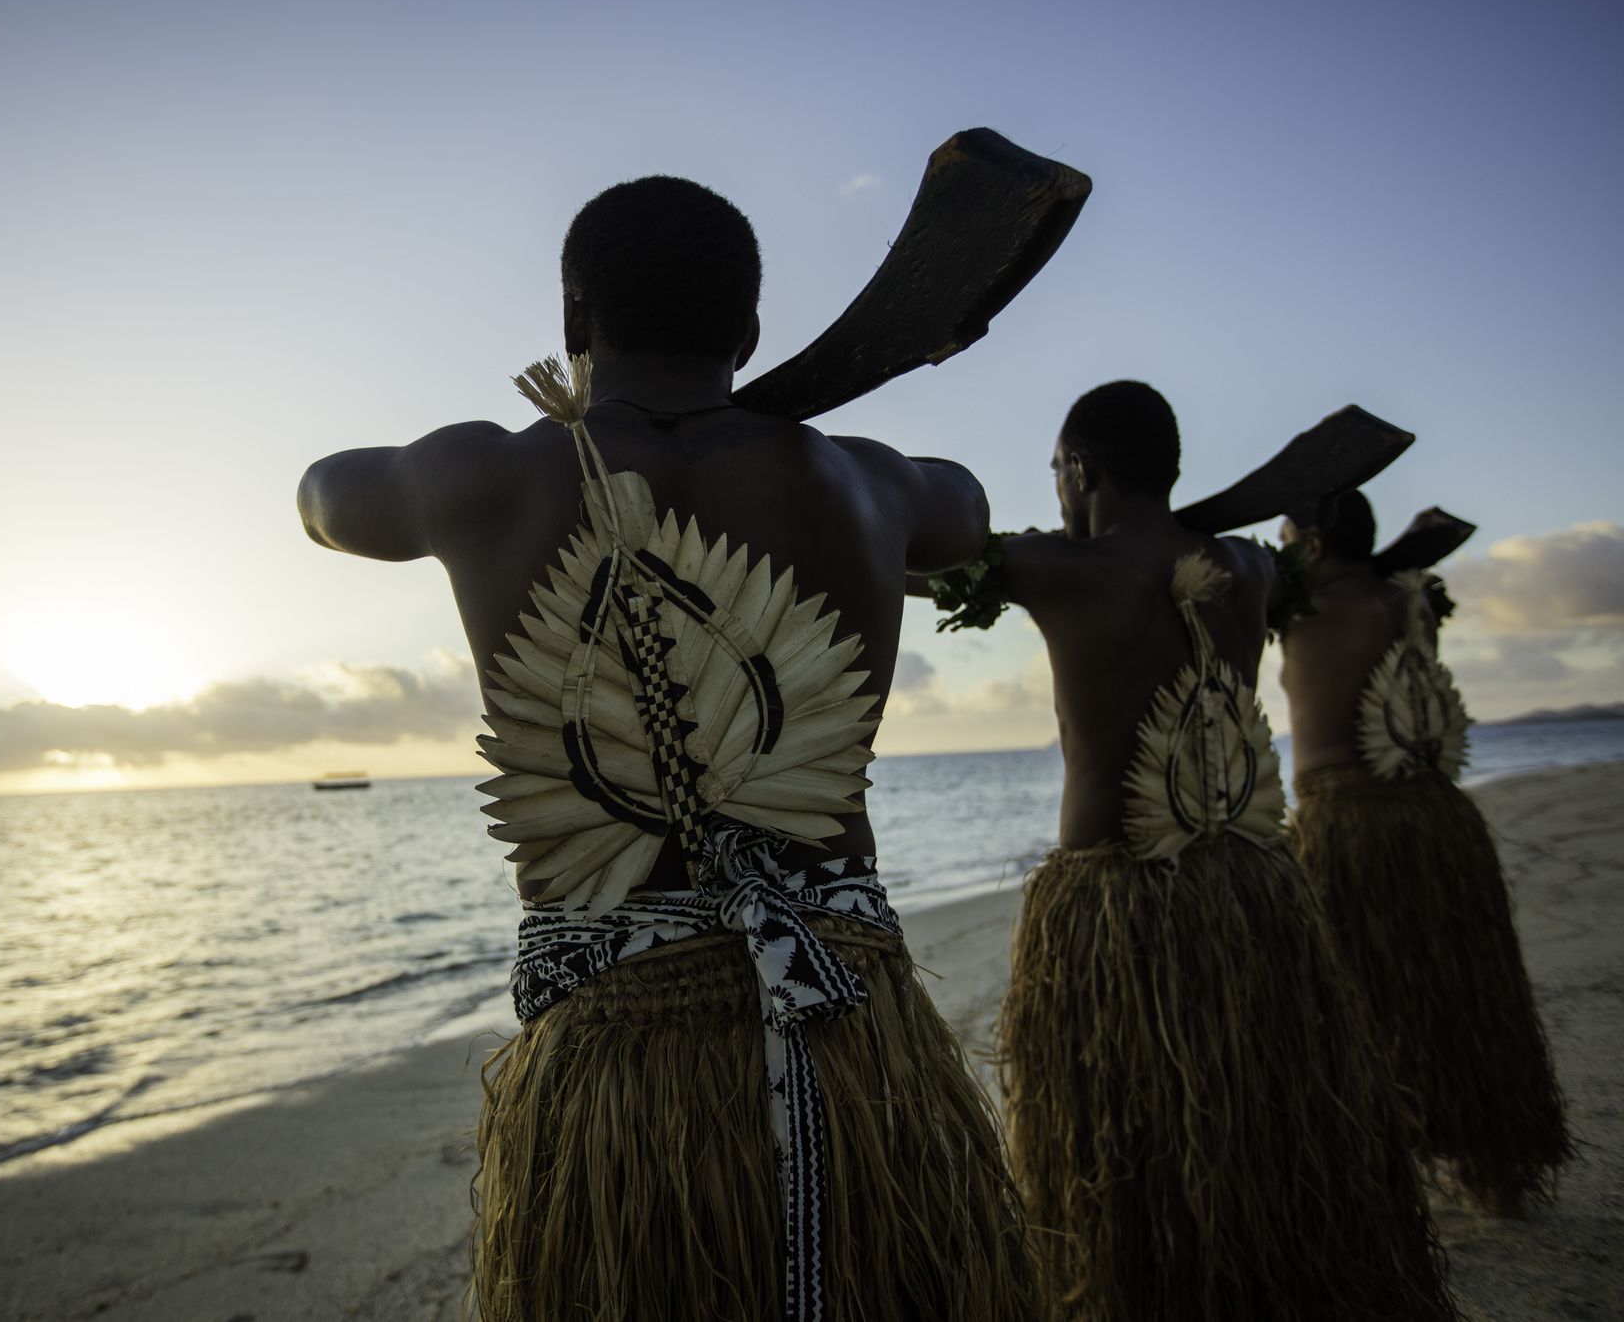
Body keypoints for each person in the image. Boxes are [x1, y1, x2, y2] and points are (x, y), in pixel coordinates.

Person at [299, 176, 1040, 1322]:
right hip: (849, 1033)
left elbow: (322, 496)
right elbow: (968, 510)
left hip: (616, 1054)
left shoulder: (481, 475)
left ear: (572, 321)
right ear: (748, 332)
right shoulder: (863, 481)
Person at [928, 382, 1455, 1321]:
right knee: (1261, 1112)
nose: (1055, 488)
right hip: (1251, 892)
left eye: (1056, 470)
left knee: (1129, 1151)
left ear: (1080, 469)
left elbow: (909, 557)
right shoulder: (1250, 569)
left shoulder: (1058, 567)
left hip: (1113, 907)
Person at [1279, 489, 1570, 1215]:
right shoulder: (1413, 600)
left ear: (1311, 547)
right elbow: (1377, 574)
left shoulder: (1298, 608)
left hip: (1346, 824)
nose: (1275, 554)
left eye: (1285, 540)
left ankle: (1372, 1163)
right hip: (1439, 819)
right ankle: (1493, 1171)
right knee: (1463, 991)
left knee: (1353, 998)